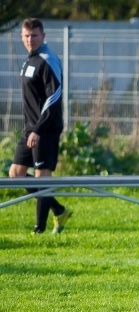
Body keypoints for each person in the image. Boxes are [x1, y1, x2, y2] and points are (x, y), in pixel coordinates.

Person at [9, 18, 72, 235]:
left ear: (43, 36)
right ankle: (59, 210)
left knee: (42, 177)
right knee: (16, 174)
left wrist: (38, 129)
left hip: (45, 129)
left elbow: (54, 97)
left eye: (34, 35)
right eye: (26, 36)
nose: (30, 40)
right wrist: (31, 128)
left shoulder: (47, 60)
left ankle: (39, 230)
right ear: (22, 37)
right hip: (30, 128)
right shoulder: (30, 60)